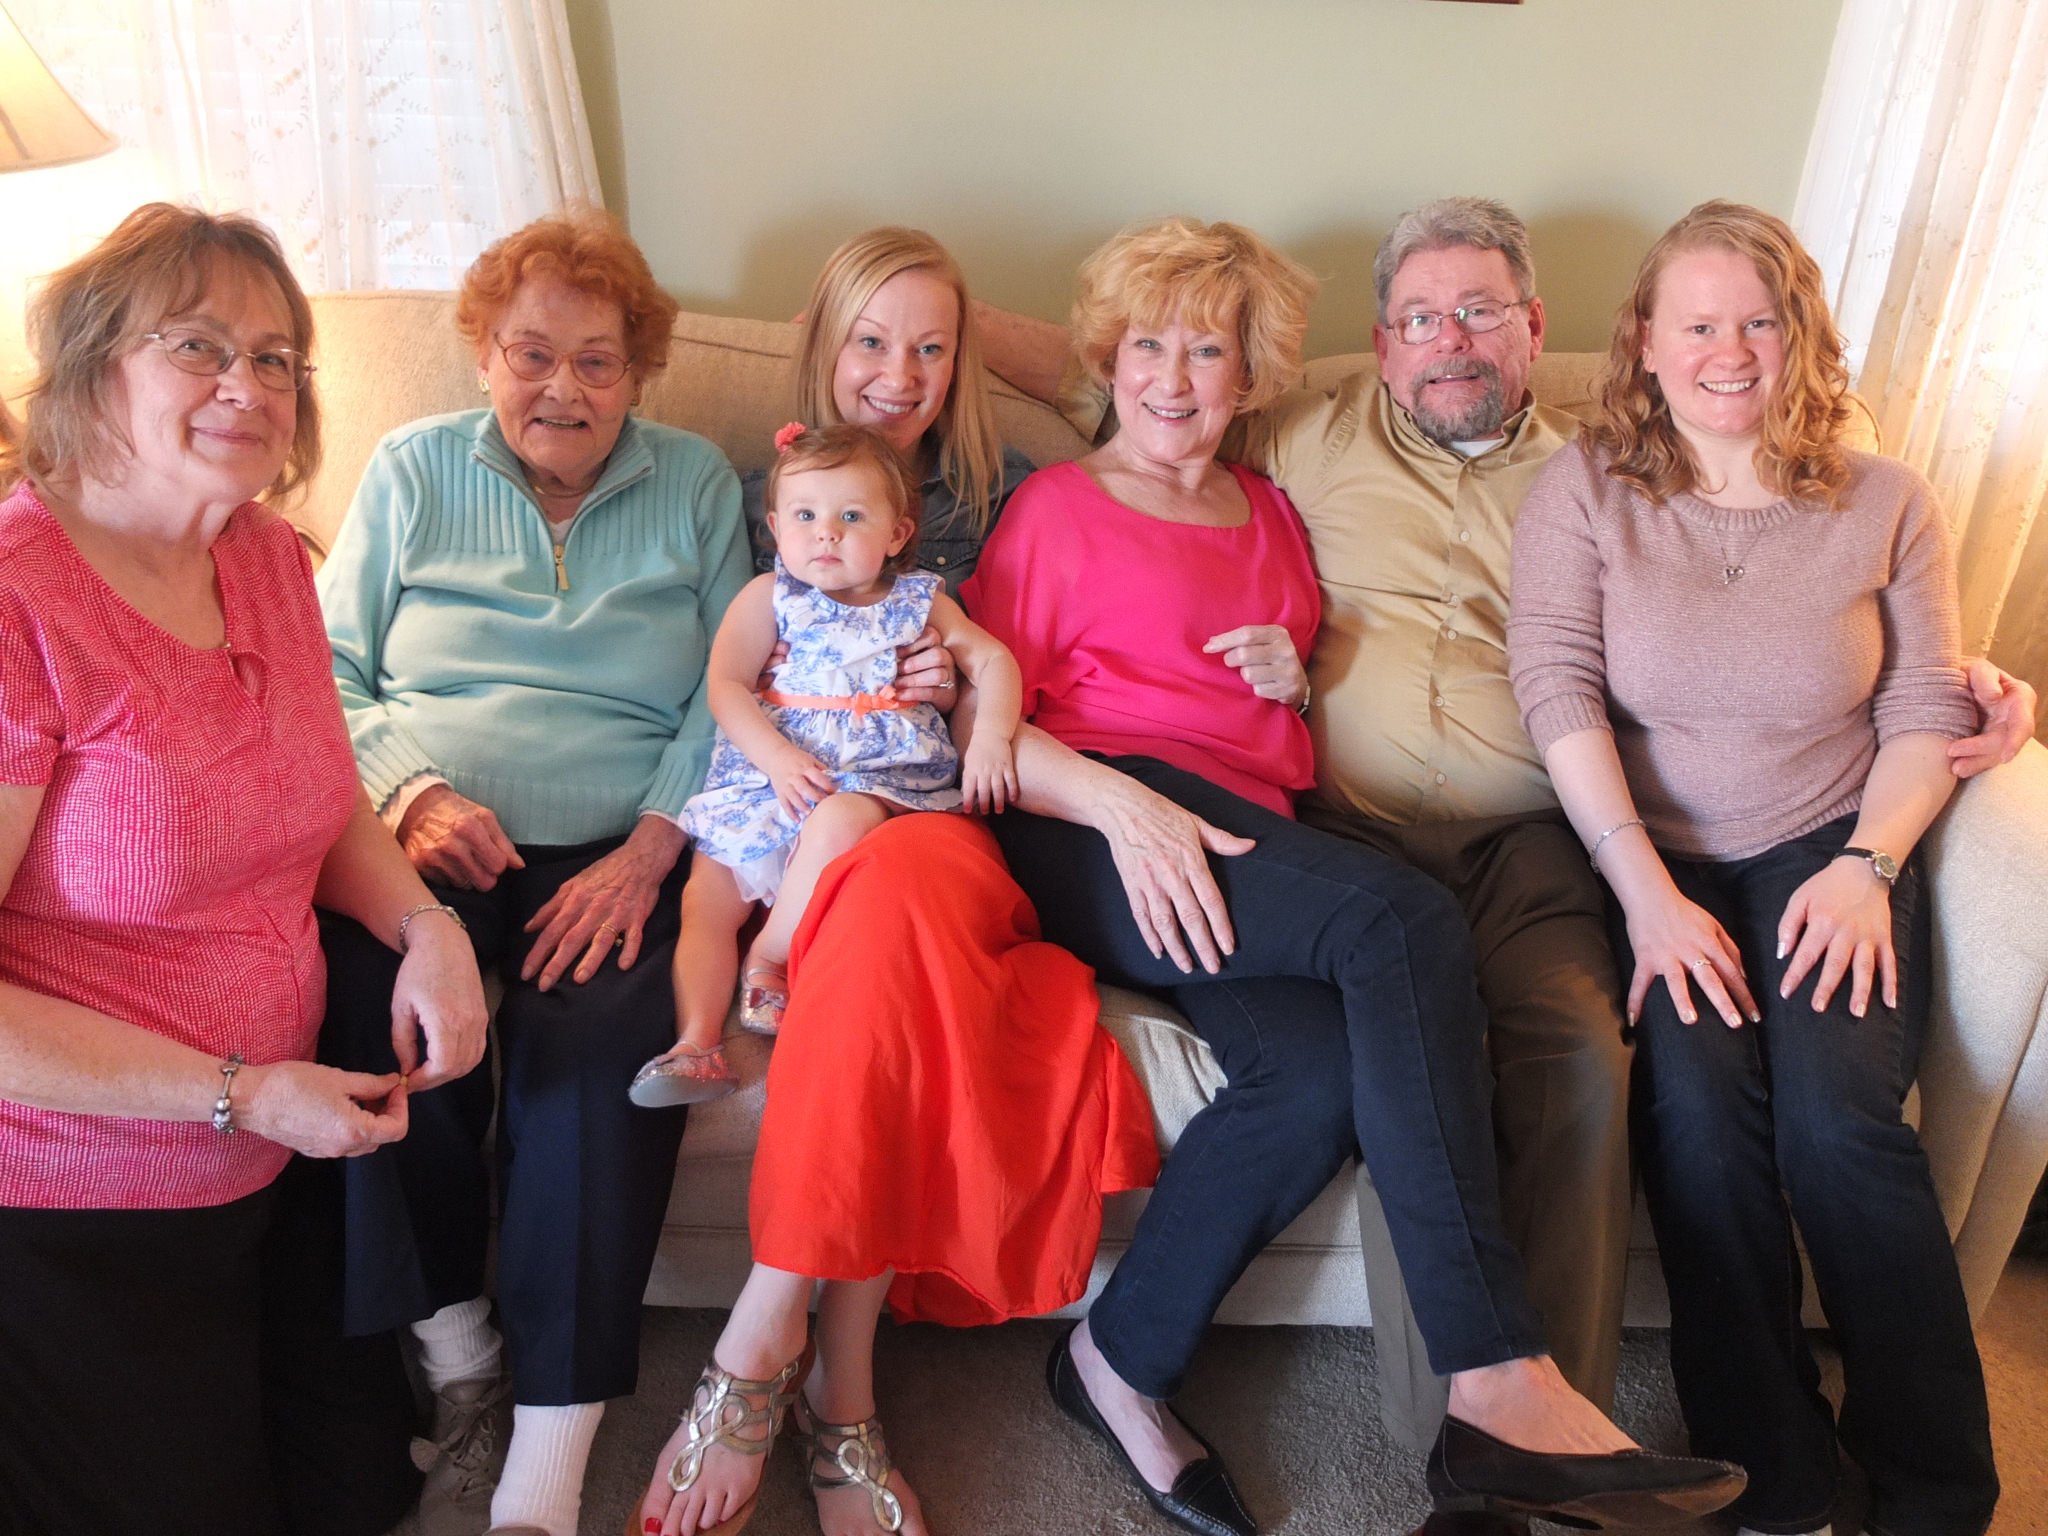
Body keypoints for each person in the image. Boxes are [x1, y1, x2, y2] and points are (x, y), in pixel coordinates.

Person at [975, 197, 2038, 1535]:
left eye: (1479, 311)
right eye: (1418, 318)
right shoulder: (1299, 435)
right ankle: (1493, 1434)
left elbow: (1791, 615)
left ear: (1538, 329)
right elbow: (1118, 379)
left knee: (1581, 1059)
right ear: (1380, 342)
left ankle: (1541, 1438)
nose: (1449, 340)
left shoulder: (1600, 467)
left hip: (1538, 841)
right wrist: (930, 316)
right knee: (1481, 1003)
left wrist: (1950, 688)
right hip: (1346, 836)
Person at [633, 230, 1158, 1536]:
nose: (899, 373)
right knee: (874, 941)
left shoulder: (1003, 488)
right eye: (870, 339)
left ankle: (760, 1336)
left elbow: (1138, 391)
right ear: (820, 343)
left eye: (932, 346)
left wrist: (971, 703)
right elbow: (721, 684)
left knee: (895, 891)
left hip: (943, 810)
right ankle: (844, 1393)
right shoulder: (762, 496)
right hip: (806, 814)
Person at [1509, 200, 2001, 1536]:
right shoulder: (1585, 489)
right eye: (1698, 325)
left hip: (1827, 849)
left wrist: (1866, 866)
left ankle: (1936, 1490)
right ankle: (1774, 1478)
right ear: (1645, 343)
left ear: (1801, 336)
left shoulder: (1887, 499)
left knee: (1839, 1130)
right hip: (1651, 862)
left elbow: (1921, 707)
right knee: (1700, 1128)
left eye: (1759, 323)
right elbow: (1556, 690)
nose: (1729, 353)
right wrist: (1645, 899)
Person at [0, 203, 487, 1536]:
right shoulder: (20, 602)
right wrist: (240, 1092)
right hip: (80, 1190)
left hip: (271, 1157)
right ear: (94, 366)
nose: (248, 385)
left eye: (275, 359)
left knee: (357, 1492)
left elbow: (322, 808)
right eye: (198, 346)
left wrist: (428, 927)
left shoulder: (266, 556)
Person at [315, 206, 752, 1536]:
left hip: (619, 846)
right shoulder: (410, 468)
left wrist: (653, 847)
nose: (562, 387)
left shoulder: (695, 485)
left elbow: (734, 690)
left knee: (593, 1067)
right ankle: (461, 1358)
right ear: (483, 353)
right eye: (531, 353)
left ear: (640, 370)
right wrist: (413, 790)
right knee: (380, 1014)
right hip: (428, 831)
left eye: (598, 360)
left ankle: (548, 1458)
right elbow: (327, 669)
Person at [633, 422, 1020, 1106]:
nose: (827, 535)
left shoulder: (920, 599)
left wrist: (989, 736)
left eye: (852, 517)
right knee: (707, 895)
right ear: (776, 527)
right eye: (806, 516)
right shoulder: (767, 596)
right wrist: (777, 759)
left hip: (873, 776)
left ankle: (770, 955)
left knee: (840, 819)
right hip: (770, 775)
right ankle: (696, 1043)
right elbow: (726, 686)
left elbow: (993, 660)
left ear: (897, 533)